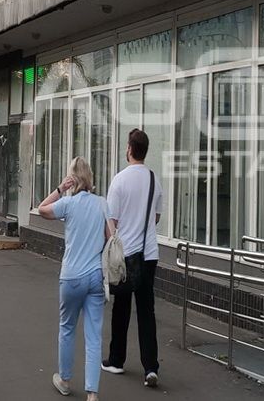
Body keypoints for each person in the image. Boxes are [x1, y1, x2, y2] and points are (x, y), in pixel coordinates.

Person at [38, 157, 113, 401]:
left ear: (72, 178)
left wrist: (60, 189)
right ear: (90, 177)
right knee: (94, 336)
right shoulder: (102, 203)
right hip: (95, 277)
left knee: (67, 328)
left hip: (71, 277)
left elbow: (42, 209)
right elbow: (111, 237)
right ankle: (92, 393)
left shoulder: (67, 204)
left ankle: (65, 380)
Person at [102, 129, 163, 388]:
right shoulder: (154, 180)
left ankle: (116, 360)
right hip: (149, 255)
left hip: (125, 256)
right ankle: (151, 368)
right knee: (147, 311)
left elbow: (111, 222)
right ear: (145, 151)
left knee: (121, 308)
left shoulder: (119, 180)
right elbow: (156, 218)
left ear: (129, 149)